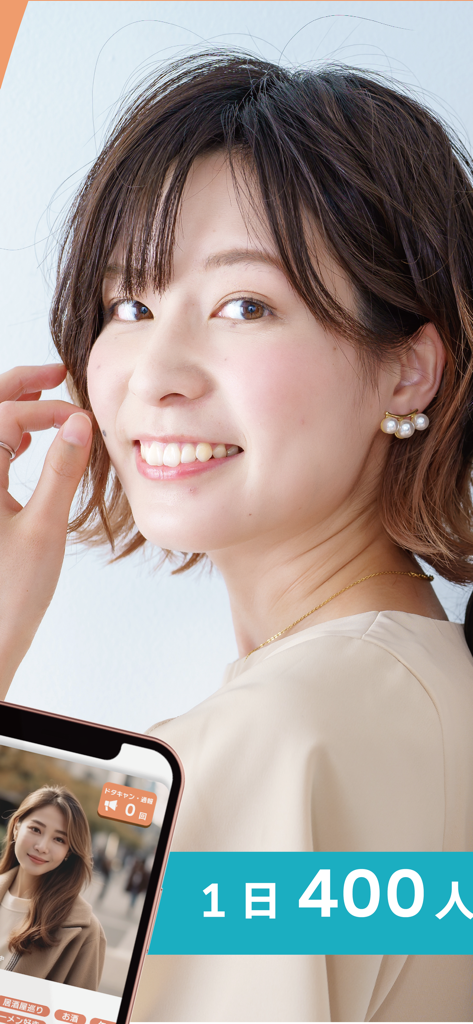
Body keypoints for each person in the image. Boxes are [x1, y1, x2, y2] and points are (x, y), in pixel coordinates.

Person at [0, 51, 472, 1020]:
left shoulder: (273, 743)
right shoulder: (413, 691)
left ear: (406, 370)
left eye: (242, 305)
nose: (155, 367)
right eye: (128, 304)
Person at [0, 785, 105, 988]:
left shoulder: (85, 932)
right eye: (35, 829)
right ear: (16, 828)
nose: (42, 847)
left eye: (59, 839)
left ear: (68, 852)